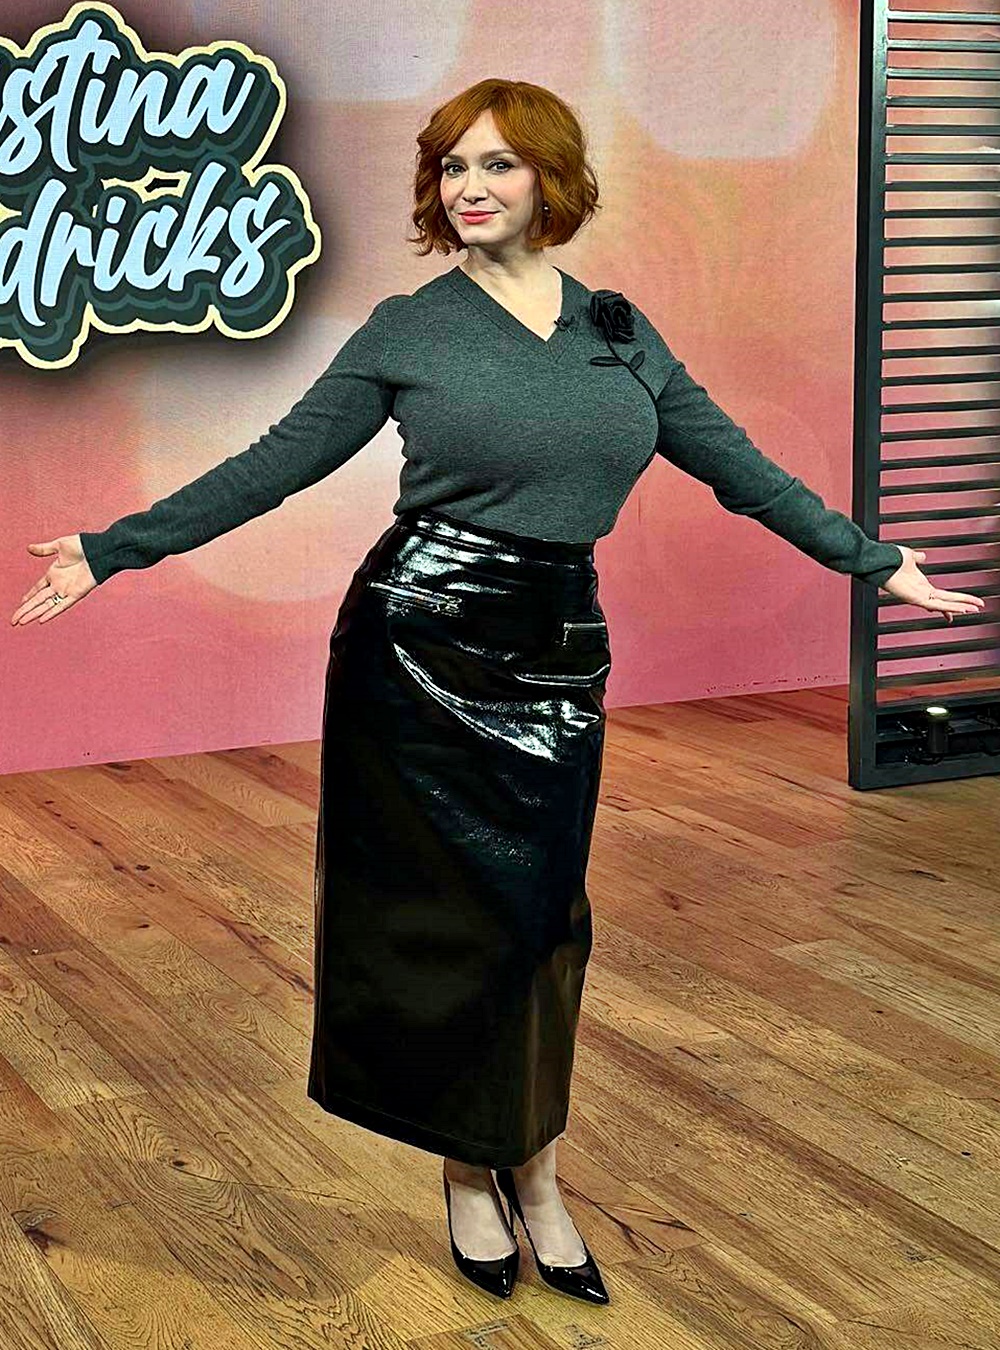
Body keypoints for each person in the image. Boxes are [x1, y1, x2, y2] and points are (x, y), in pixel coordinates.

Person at [10, 78, 985, 1307]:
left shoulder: (617, 331)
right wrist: (115, 547)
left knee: (538, 926)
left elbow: (738, 467)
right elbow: (276, 464)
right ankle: (470, 1175)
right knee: (438, 922)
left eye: (499, 165)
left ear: (550, 179)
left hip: (556, 644)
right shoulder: (408, 329)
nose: (470, 187)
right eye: (452, 167)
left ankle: (533, 1168)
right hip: (417, 643)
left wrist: (872, 558)